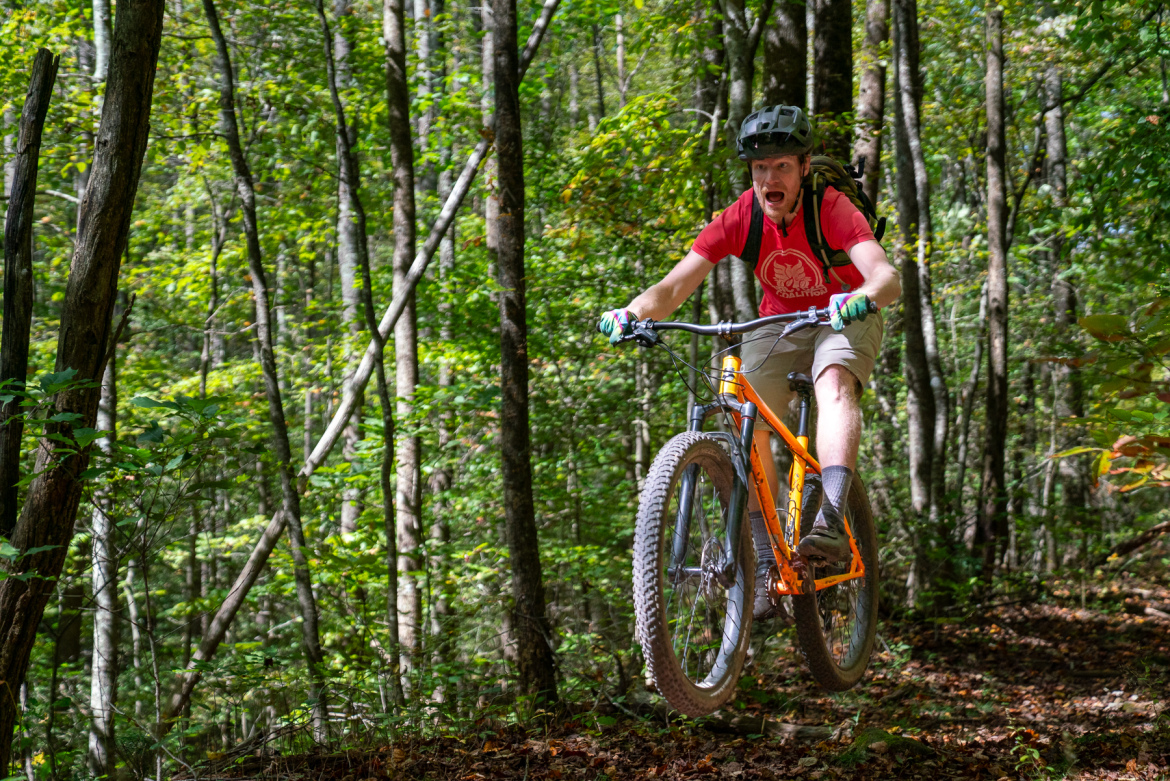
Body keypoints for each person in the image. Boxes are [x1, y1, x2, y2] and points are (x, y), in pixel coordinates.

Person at [598, 105, 901, 619]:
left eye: (780, 166)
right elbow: (672, 287)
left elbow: (887, 277)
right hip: (779, 325)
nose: (768, 179)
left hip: (845, 312)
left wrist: (863, 295)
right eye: (759, 169)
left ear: (804, 167)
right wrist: (631, 311)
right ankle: (766, 560)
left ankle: (828, 515)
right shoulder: (741, 216)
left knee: (832, 383)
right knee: (743, 409)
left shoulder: (831, 210)